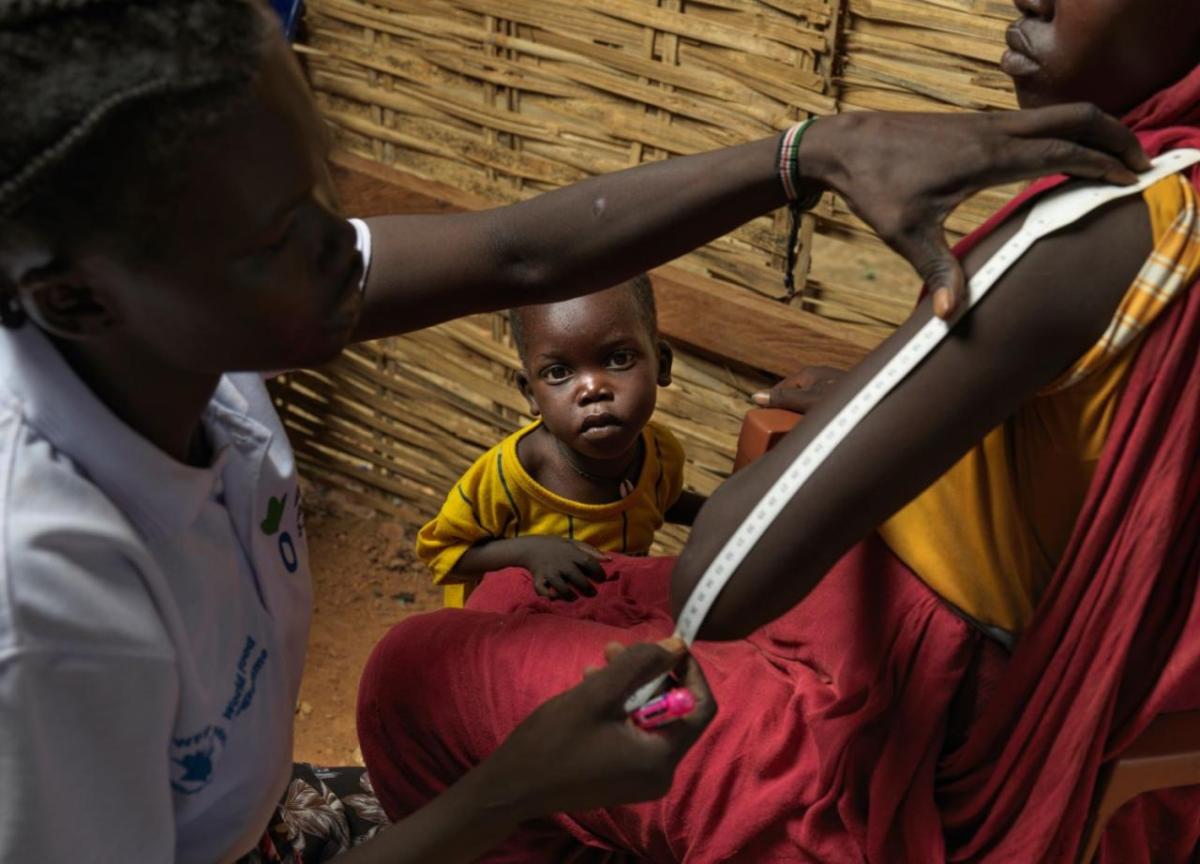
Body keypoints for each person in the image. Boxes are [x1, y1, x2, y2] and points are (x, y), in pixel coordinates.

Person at [0, 1, 1156, 862]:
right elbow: (722, 578)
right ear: (74, 298)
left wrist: (817, 150)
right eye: (273, 235)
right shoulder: (49, 605)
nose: (334, 245)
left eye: (319, 191)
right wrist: (509, 787)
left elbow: (522, 253)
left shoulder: (189, 320)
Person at [357, 0, 1200, 861]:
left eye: (620, 361)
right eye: (560, 375)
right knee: (510, 597)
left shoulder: (1098, 223)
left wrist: (858, 403)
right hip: (927, 650)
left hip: (858, 733)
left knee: (413, 673)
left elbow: (717, 581)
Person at [417, 276, 704, 607]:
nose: (593, 388)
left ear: (661, 364)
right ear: (530, 393)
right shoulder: (511, 476)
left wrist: (727, 509)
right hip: (515, 627)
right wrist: (530, 551)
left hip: (611, 613)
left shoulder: (661, 454)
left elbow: (661, 499)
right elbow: (440, 551)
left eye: (619, 358)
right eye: (558, 373)